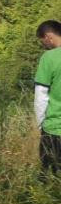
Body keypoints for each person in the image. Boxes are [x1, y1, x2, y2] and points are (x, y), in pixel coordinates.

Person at [36, 20, 61, 172]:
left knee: (49, 177)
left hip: (54, 130)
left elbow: (41, 96)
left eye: (43, 41)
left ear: (48, 37)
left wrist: (40, 125)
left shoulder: (49, 57)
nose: (44, 45)